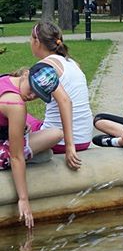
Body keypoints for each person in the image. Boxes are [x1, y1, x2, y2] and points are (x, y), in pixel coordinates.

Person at [0, 63, 65, 227]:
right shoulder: (16, 105)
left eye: (38, 95)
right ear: (25, 74)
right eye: (32, 89)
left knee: (48, 147)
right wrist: (23, 199)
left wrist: (19, 125)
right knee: (54, 136)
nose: (31, 96)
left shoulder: (5, 79)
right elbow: (16, 156)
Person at [28, 21, 91, 169]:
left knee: (17, 116)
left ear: (37, 41)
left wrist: (70, 146)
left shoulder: (44, 67)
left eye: (31, 39)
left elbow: (65, 101)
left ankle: (31, 153)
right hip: (85, 138)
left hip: (62, 142)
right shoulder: (73, 63)